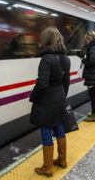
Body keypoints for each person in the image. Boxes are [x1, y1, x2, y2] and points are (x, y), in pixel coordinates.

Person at [29, 27, 70, 177]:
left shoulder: (47, 59)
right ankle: (62, 159)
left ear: (46, 40)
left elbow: (42, 83)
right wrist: (62, 97)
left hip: (47, 100)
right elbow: (67, 81)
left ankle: (47, 167)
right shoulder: (65, 57)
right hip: (60, 96)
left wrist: (33, 97)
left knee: (46, 129)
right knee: (59, 126)